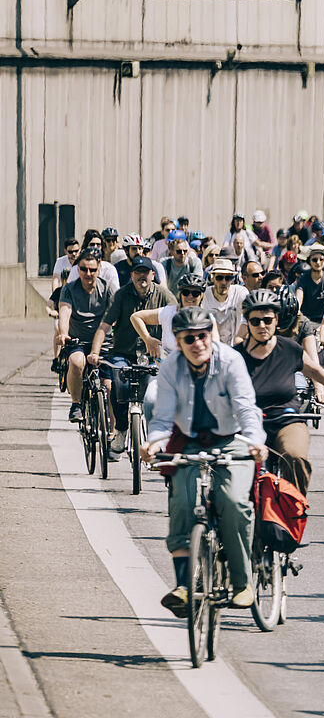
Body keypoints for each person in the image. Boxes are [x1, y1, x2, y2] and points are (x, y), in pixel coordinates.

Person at [141, 307, 267, 614]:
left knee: (233, 502)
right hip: (190, 440)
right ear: (179, 342)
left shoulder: (230, 361)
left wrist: (256, 442)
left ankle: (242, 584)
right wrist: (154, 443)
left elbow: (246, 408)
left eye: (203, 336)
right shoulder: (170, 367)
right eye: (189, 339)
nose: (198, 344)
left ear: (211, 334)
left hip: (232, 439)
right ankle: (185, 585)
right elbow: (162, 416)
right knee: (183, 505)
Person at [236, 290, 324, 497]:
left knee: (295, 457)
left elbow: (314, 369)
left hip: (285, 420)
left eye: (267, 320)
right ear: (248, 323)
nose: (262, 326)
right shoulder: (235, 356)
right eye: (255, 321)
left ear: (276, 320)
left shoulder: (289, 348)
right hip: (246, 425)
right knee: (233, 468)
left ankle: (292, 512)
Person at [90, 256, 174, 453]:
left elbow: (177, 316)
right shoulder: (121, 295)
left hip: (153, 357)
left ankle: (157, 438)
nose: (142, 276)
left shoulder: (164, 295)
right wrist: (94, 351)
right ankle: (120, 429)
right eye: (138, 272)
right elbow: (105, 325)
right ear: (132, 275)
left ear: (153, 274)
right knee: (119, 381)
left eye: (146, 272)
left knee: (155, 392)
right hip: (123, 353)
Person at [57, 250, 116, 422]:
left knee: (110, 387)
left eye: (92, 269)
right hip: (78, 340)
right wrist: (63, 333)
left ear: (99, 268)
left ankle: (112, 436)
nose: (88, 274)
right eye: (83, 269)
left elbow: (115, 315)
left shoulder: (107, 288)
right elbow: (65, 311)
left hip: (104, 342)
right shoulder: (69, 288)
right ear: (78, 269)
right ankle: (76, 404)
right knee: (76, 362)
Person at [202, 257, 248, 346]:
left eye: (228, 278)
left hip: (235, 346)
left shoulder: (240, 292)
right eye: (219, 278)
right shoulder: (204, 295)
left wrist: (238, 341)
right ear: (213, 278)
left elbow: (245, 319)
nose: (224, 282)